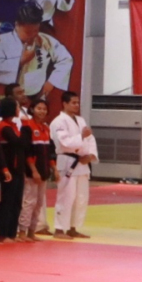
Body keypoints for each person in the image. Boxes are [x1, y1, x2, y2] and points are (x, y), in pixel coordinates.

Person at [0, 2, 73, 99]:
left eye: (36, 30)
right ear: (17, 25)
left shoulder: (45, 40)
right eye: (28, 32)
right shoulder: (4, 40)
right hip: (12, 96)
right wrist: (21, 61)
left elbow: (66, 58)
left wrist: (52, 81)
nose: (33, 35)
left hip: (37, 93)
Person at [51, 90, 97, 239]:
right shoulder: (58, 121)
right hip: (67, 162)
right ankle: (59, 229)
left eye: (78, 102)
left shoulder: (81, 120)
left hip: (82, 163)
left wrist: (90, 156)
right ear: (64, 104)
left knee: (80, 198)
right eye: (73, 103)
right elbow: (64, 142)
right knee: (66, 196)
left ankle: (73, 227)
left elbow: (90, 139)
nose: (77, 105)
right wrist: (81, 136)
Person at [0, 98, 29, 243]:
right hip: (9, 168)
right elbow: (20, 143)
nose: (19, 109)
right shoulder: (4, 127)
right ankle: (2, 233)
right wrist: (26, 126)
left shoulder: (13, 125)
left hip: (18, 168)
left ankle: (11, 233)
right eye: (17, 106)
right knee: (7, 201)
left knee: (16, 202)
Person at [21, 96, 54, 241]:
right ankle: (22, 231)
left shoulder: (46, 128)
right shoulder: (27, 127)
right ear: (32, 109)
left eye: (44, 109)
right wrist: (33, 170)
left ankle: (31, 231)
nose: (42, 111)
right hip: (31, 172)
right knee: (29, 201)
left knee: (39, 202)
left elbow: (50, 151)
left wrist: (54, 169)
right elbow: (27, 151)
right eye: (39, 108)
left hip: (44, 171)